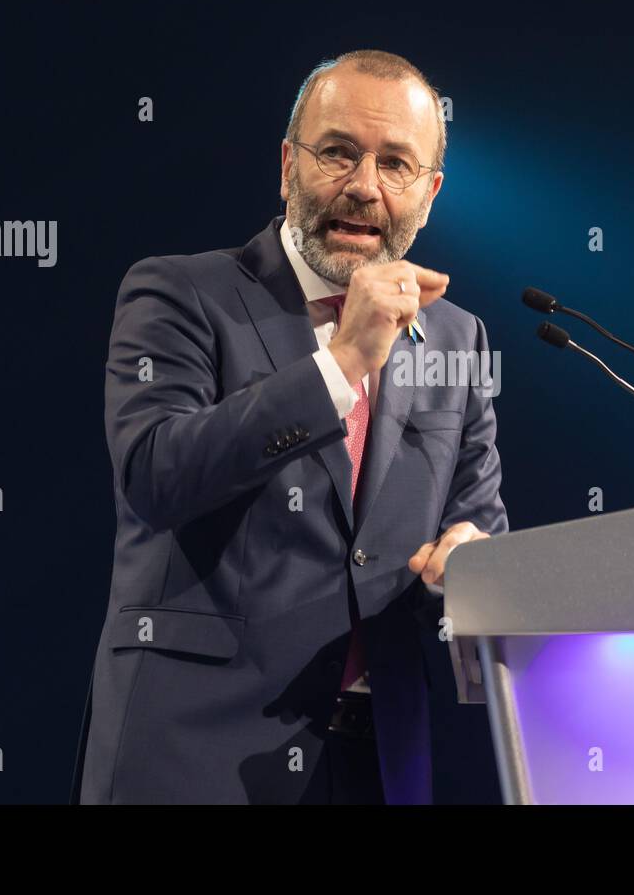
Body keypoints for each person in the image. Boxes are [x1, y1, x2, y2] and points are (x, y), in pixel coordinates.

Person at [70, 49, 507, 804]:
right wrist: (340, 363)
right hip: (193, 755)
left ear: (429, 194)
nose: (364, 187)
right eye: (338, 152)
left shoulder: (457, 339)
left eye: (396, 164)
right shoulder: (179, 294)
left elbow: (477, 525)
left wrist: (469, 562)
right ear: (287, 165)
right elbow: (155, 474)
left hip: (380, 762)